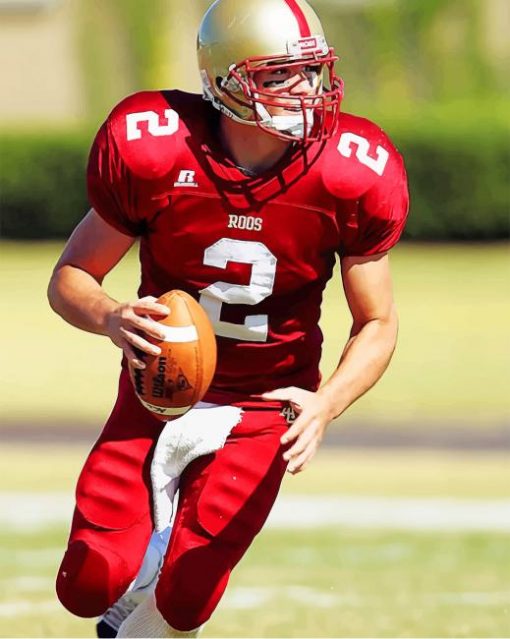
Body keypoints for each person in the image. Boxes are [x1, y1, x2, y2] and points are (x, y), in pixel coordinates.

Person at [48, 0, 409, 636]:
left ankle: (162, 566)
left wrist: (326, 404)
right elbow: (71, 278)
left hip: (269, 402)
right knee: (87, 585)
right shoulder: (155, 149)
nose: (305, 90)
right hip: (159, 389)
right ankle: (136, 570)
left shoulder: (350, 170)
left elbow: (376, 321)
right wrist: (110, 317)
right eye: (278, 75)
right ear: (224, 80)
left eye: (312, 71)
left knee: (187, 603)